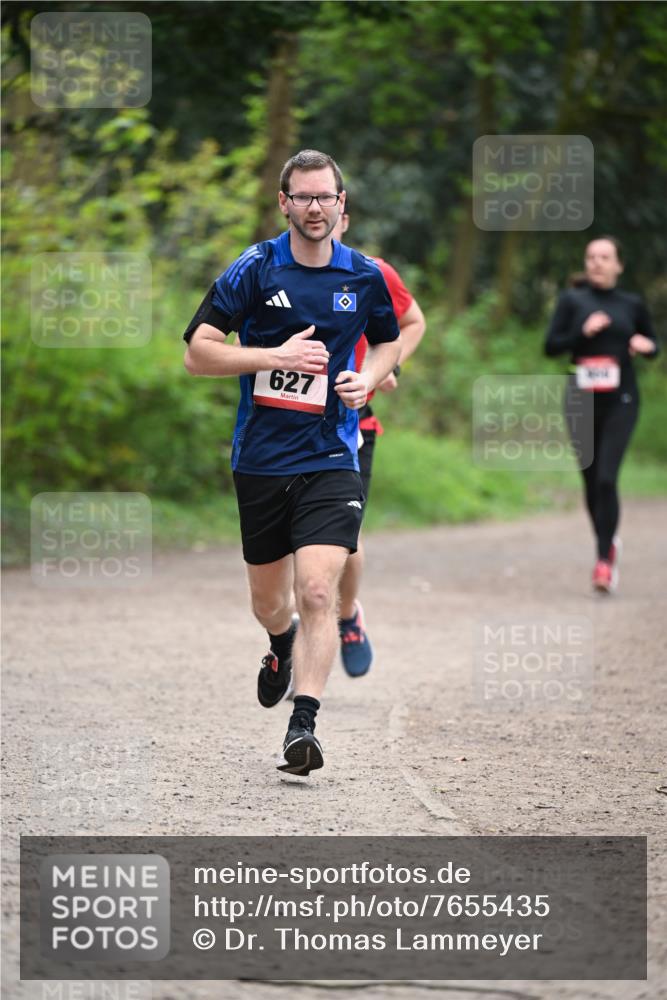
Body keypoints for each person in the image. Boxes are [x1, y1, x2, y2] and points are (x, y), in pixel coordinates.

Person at [182, 149, 401, 775]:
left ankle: (303, 727)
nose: (313, 207)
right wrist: (270, 357)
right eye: (302, 197)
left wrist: (369, 376)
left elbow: (388, 339)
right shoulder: (254, 268)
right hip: (262, 458)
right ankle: (279, 644)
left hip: (333, 453)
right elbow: (198, 354)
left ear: (341, 205)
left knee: (316, 589)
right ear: (284, 203)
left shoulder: (363, 276)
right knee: (271, 604)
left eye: (324, 197)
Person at [332, 210, 426, 675]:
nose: (318, 217)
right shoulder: (273, 273)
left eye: (327, 208)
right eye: (305, 202)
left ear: (343, 219)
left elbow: (413, 323)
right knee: (290, 542)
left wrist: (386, 368)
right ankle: (296, 631)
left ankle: (347, 617)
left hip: (354, 426)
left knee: (343, 538)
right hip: (288, 427)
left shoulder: (373, 272)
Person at [545, 236, 659, 593]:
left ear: (618, 265)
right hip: (580, 398)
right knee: (592, 480)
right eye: (591, 257)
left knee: (608, 477)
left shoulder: (631, 303)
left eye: (604, 257)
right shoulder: (572, 301)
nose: (596, 263)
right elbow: (551, 346)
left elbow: (654, 344)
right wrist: (582, 331)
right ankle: (608, 541)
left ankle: (603, 562)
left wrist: (646, 345)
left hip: (621, 399)